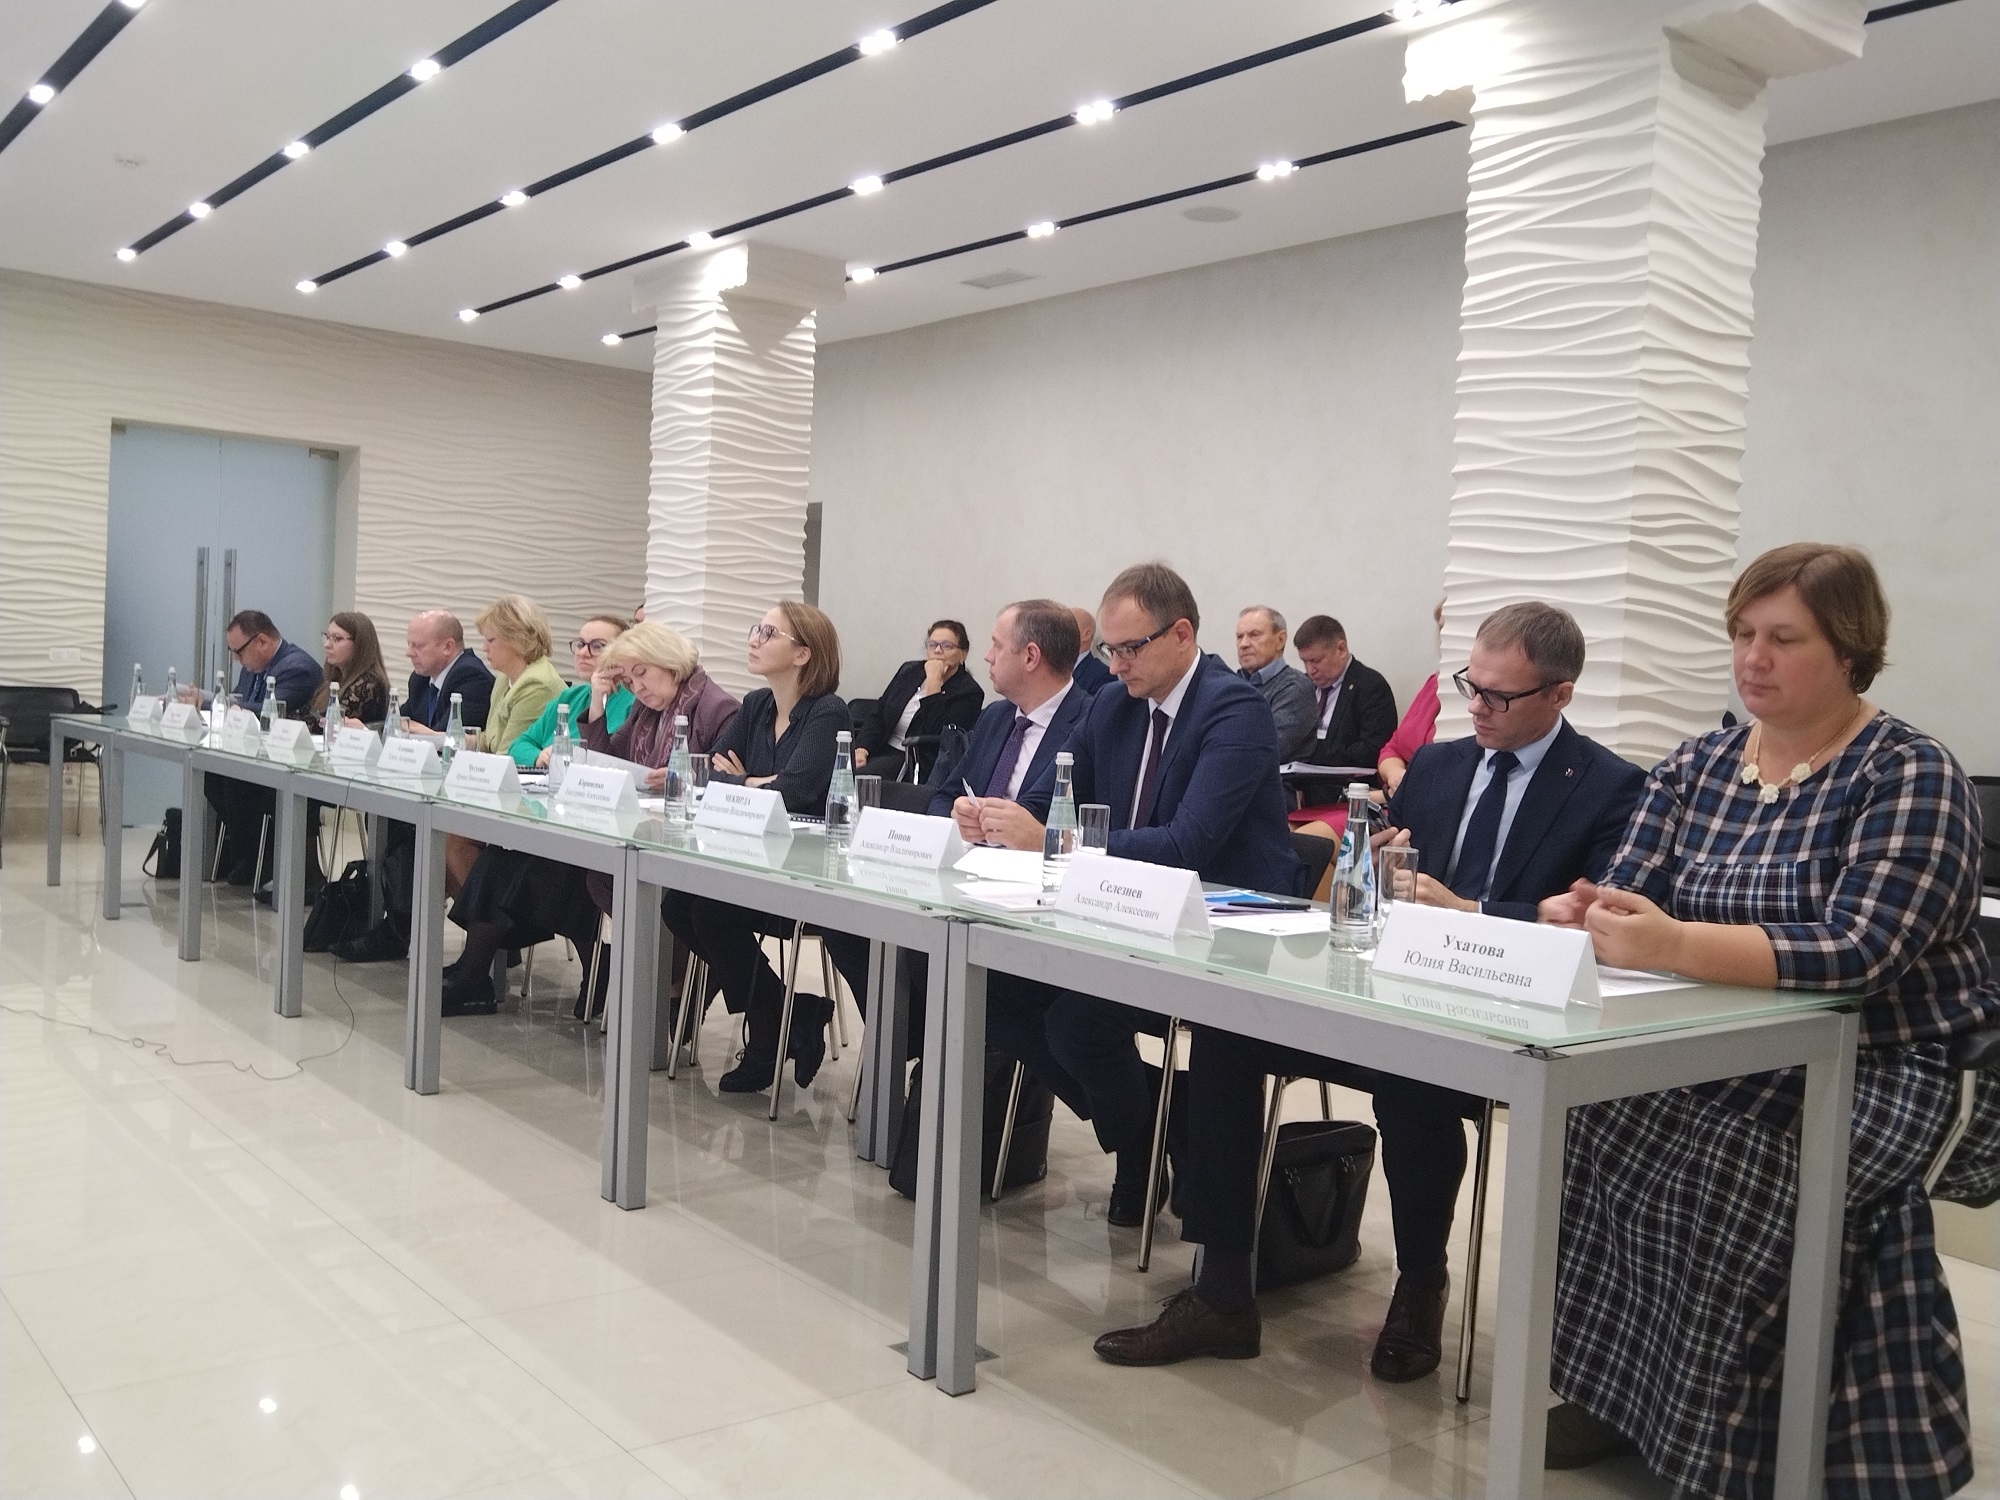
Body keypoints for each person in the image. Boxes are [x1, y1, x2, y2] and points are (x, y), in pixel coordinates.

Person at [1540, 544, 1999, 1494]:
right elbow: (1634, 891)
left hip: (1889, 1062)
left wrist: (1672, 943)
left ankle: (1726, 1446)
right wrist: (1596, 915)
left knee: (1729, 1161)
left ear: (1850, 650)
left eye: (1784, 639)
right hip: (1714, 1041)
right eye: (1744, 634)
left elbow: (1860, 950)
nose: (1754, 658)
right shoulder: (1698, 763)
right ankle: (1624, 1396)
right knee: (1595, 1118)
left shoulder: (1910, 774)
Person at [1091, 602, 1646, 1380]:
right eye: (1471, 686)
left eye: (1500, 696)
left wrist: (1471, 911)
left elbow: (1599, 923)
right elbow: (1381, 879)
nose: (1478, 708)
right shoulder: (1440, 768)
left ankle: (1419, 1283)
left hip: (1502, 1016)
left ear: (1560, 694)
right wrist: (1368, 865)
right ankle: (1222, 1292)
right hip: (1390, 985)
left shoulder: (1610, 788)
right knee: (1228, 1030)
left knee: (1415, 1082)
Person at [967, 563, 1302, 1225]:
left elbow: (1188, 844)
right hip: (1126, 912)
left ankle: (1147, 1141)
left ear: (1181, 635)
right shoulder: (1113, 705)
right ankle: (1153, 1131)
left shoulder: (1235, 708)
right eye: (1107, 650)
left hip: (1225, 927)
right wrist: (996, 817)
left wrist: (1054, 841)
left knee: (1077, 1025)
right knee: (998, 990)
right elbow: (1051, 795)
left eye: (1129, 648)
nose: (1114, 665)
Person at [443, 622, 738, 1017]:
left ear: (668, 662)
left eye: (642, 674)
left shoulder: (718, 709)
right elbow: (607, 760)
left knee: (564, 867)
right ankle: (492, 971)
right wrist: (597, 704)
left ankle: (649, 980)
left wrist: (681, 779)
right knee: (515, 859)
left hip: (681, 847)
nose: (637, 687)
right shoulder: (647, 709)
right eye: (630, 680)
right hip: (631, 833)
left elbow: (723, 784)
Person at [660, 602, 854, 1089]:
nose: (754, 639)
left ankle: (772, 1027)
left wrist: (746, 780)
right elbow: (709, 774)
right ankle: (786, 1012)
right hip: (752, 856)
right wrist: (757, 782)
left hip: (803, 871)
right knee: (679, 903)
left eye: (768, 633)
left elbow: (799, 791)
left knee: (708, 911)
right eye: (757, 629)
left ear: (802, 654)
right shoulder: (756, 705)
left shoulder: (827, 711)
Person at [195, 610, 325, 886]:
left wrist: (207, 702)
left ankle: (260, 859)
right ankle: (250, 854)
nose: (236, 659)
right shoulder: (253, 666)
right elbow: (238, 703)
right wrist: (210, 701)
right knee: (212, 774)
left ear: (262, 641)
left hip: (291, 763)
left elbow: (264, 712)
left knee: (235, 782)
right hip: (257, 753)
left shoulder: (297, 667)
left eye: (239, 651)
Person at [853, 619, 983, 781]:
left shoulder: (969, 692)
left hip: (917, 760)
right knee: (837, 770)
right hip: (882, 748)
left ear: (963, 654)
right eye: (932, 645)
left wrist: (934, 683)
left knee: (856, 780)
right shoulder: (910, 671)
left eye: (946, 646)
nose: (937, 650)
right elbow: (880, 712)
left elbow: (939, 737)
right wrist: (862, 748)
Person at [508, 616, 635, 770]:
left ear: (622, 654)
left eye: (597, 646)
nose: (583, 653)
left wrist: (566, 754)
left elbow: (605, 758)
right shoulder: (569, 697)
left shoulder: (633, 702)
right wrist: (538, 757)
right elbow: (517, 746)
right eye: (580, 644)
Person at [1292, 614, 1397, 771]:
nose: (1310, 670)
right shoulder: (1303, 686)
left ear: (1341, 649)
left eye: (1315, 661)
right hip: (1299, 779)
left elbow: (1372, 749)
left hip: (1345, 780)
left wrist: (1313, 756)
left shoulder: (1371, 686)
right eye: (1304, 661)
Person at [474, 595, 563, 754]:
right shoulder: (505, 676)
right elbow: (490, 741)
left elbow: (509, 753)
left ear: (516, 639)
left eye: (490, 640)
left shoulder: (536, 685)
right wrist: (439, 738)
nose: (484, 648)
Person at [1376, 599, 1445, 795]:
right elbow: (1393, 747)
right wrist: (1395, 774)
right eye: (1441, 629)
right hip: (1401, 794)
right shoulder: (1433, 684)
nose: (1442, 638)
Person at [1235, 605, 1317, 761]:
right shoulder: (1231, 684)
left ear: (1280, 640)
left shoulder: (1295, 688)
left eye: (1254, 635)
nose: (1243, 644)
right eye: (1239, 636)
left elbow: (1266, 748)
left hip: (1276, 776)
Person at [400, 610, 493, 735]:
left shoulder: (472, 678)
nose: (408, 653)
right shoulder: (420, 679)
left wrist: (413, 729)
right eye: (409, 644)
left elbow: (448, 737)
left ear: (448, 647)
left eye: (418, 645)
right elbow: (397, 722)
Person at [1070, 605, 1114, 696]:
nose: (1059, 631)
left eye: (1068, 624)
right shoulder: (1050, 667)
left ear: (1086, 634)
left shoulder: (1102, 674)